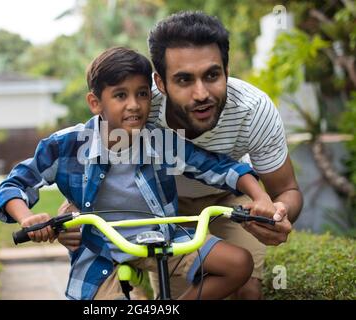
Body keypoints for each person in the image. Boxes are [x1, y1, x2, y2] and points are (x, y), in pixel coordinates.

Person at [0, 47, 277, 300]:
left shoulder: (161, 142)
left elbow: (220, 167)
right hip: (101, 249)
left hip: (161, 240)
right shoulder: (65, 145)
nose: (134, 104)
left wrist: (260, 196)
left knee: (239, 264)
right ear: (95, 103)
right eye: (120, 95)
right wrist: (28, 218)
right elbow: (14, 185)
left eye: (142, 93)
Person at [57, 11, 303, 299]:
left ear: (226, 70)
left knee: (245, 288)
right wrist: (71, 208)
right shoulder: (138, 105)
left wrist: (278, 214)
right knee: (173, 294)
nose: (201, 93)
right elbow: (90, 151)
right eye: (184, 80)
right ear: (159, 83)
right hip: (157, 205)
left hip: (229, 197)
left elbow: (286, 190)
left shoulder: (254, 110)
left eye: (212, 75)